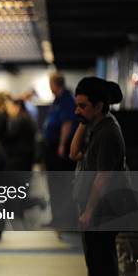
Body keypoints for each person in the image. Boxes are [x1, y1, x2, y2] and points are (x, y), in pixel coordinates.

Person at [72, 77, 130, 276]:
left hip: (103, 210)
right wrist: (83, 122)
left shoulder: (108, 132)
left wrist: (88, 211)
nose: (77, 111)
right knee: (96, 266)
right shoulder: (96, 126)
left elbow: (103, 177)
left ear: (99, 106)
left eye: (83, 106)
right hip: (95, 210)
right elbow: (74, 154)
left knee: (103, 267)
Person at [44, 72, 77, 225]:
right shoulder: (57, 100)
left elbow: (67, 123)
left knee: (61, 183)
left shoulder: (66, 100)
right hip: (52, 146)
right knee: (54, 183)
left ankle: (64, 218)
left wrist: (62, 145)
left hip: (59, 147)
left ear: (54, 84)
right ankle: (57, 217)